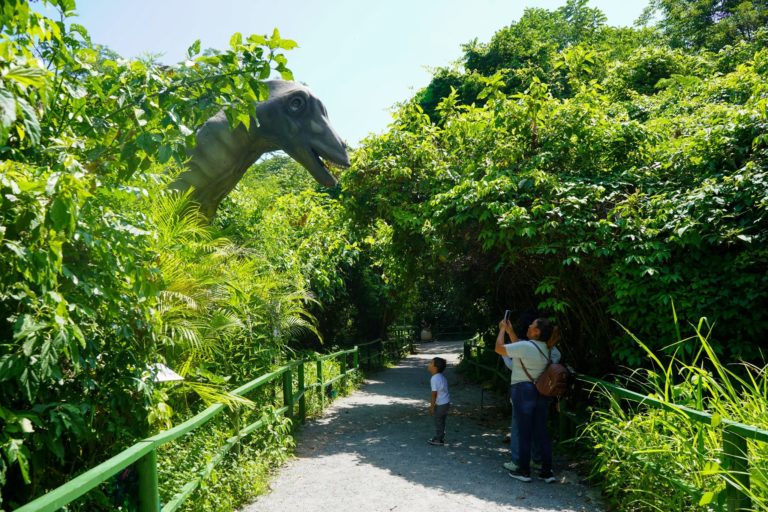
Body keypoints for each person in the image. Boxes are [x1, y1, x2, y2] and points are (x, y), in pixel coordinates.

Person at [495, 317, 558, 483]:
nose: (529, 326)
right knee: (541, 432)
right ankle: (547, 472)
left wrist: (502, 330)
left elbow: (499, 348)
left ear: (536, 331)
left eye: (532, 325)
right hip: (540, 391)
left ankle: (524, 471)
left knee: (524, 432)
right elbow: (518, 347)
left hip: (523, 390)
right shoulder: (546, 348)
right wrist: (510, 331)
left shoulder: (526, 346)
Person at [426, 356, 450, 446]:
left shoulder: (434, 378)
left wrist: (432, 407)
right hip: (446, 402)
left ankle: (439, 440)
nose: (429, 364)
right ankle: (440, 436)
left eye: (431, 363)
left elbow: (434, 394)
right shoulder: (441, 377)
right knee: (441, 421)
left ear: (435, 367)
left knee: (438, 421)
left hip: (441, 404)